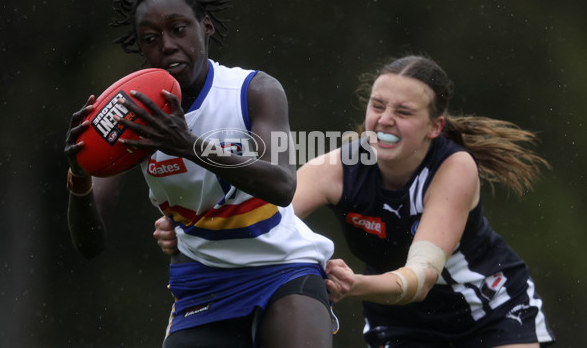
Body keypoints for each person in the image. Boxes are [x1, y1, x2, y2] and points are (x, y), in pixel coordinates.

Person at [155, 54, 556, 347]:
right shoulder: (341, 167)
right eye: (377, 106)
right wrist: (193, 229)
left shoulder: (455, 168)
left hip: (490, 312)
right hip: (399, 322)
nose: (384, 120)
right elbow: (261, 219)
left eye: (404, 112)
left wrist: (354, 284)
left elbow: (420, 278)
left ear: (435, 127)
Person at [64, 0, 335, 348]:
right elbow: (90, 245)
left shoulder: (254, 91)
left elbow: (282, 185)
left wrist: (187, 145)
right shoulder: (131, 117)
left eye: (178, 29)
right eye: (151, 38)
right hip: (202, 280)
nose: (168, 46)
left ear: (204, 26)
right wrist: (79, 174)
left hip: (283, 267)